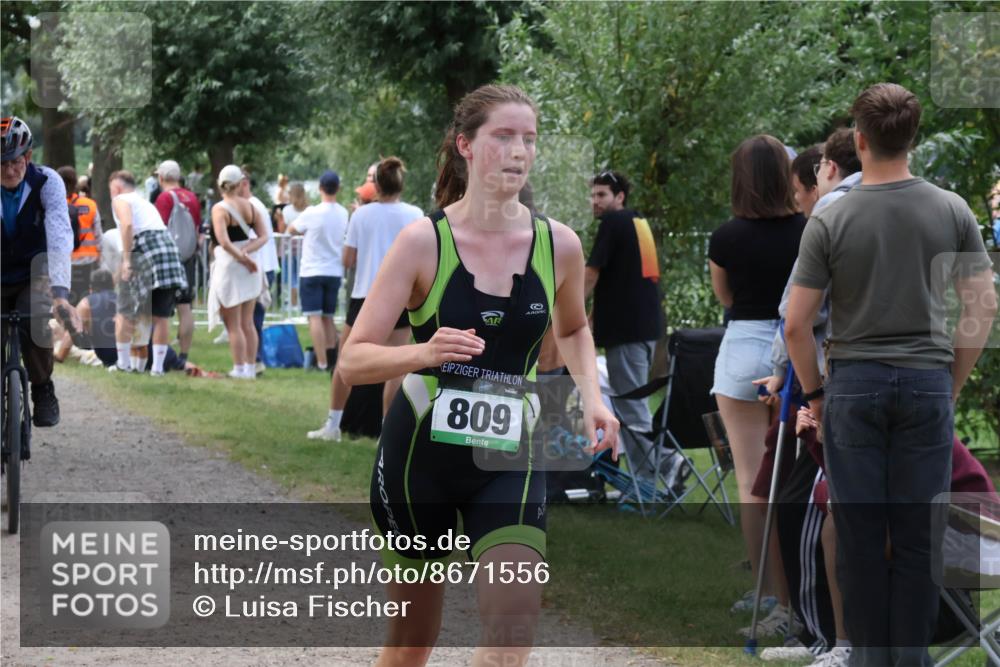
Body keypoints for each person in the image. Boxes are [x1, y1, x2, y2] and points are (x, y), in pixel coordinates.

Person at [339, 84, 619, 667]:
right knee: (413, 640)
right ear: (466, 145)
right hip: (421, 459)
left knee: (511, 637)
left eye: (529, 139)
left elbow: (572, 331)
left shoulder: (558, 244)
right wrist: (422, 354)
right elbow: (353, 358)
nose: (519, 151)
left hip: (512, 455)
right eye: (503, 137)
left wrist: (593, 397)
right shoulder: (423, 241)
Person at [786, 83, 997, 666]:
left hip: (854, 384)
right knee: (916, 538)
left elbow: (796, 325)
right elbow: (982, 307)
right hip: (926, 381)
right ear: (913, 138)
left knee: (857, 537)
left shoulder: (832, 218)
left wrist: (816, 395)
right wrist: (947, 383)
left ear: (859, 139)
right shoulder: (952, 209)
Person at [708, 135, 807, 622]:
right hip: (795, 348)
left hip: (744, 348)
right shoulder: (808, 229)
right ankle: (800, 591)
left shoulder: (726, 236)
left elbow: (725, 299)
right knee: (795, 478)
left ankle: (768, 590)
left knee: (751, 480)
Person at [308, 157, 422, 441]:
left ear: (376, 185)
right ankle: (387, 430)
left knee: (346, 360)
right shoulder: (416, 214)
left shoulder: (362, 215)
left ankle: (334, 424)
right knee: (396, 365)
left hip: (366, 295)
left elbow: (348, 259)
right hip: (403, 297)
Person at [585, 170, 681, 489]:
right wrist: (590, 319)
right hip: (645, 329)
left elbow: (592, 274)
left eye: (602, 195)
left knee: (629, 405)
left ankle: (664, 466)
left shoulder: (613, 223)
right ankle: (651, 475)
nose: (594, 201)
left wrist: (567, 310)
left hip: (627, 332)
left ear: (619, 197)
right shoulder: (638, 223)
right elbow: (621, 282)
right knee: (632, 403)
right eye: (593, 195)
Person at [0, 116, 79, 427]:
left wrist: (60, 295)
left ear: (28, 157)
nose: (8, 171)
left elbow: (59, 236)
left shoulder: (48, 182)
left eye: (15, 162)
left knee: (34, 319)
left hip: (33, 274)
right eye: (0, 164)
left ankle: (43, 388)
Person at [108, 170, 187, 377]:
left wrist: (126, 259)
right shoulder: (144, 202)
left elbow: (126, 225)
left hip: (144, 249)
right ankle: (157, 369)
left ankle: (123, 364)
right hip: (167, 249)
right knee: (161, 315)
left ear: (116, 187)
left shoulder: (120, 199)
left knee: (125, 310)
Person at [206, 165, 269, 379]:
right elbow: (263, 236)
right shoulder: (251, 207)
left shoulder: (220, 209)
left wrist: (241, 257)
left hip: (231, 265)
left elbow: (223, 241)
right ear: (240, 182)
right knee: (248, 322)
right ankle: (250, 368)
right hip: (249, 265)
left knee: (233, 324)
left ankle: (239, 367)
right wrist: (247, 253)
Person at [285, 170, 347, 371]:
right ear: (337, 188)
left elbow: (292, 229)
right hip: (334, 270)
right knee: (328, 317)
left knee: (314, 317)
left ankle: (320, 362)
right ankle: (331, 360)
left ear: (320, 188)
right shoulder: (343, 212)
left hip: (312, 270)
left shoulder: (312, 212)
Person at [154, 159, 202, 368]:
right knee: (185, 308)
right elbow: (198, 227)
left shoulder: (164, 198)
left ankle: (161, 354)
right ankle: (183, 354)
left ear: (161, 177)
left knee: (161, 312)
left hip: (169, 259)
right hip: (188, 257)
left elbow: (158, 228)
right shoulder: (191, 197)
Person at [239, 167, 279, 372]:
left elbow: (255, 239)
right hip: (263, 266)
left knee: (252, 318)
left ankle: (254, 360)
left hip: (260, 267)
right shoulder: (254, 205)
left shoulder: (251, 206)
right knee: (252, 318)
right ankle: (253, 359)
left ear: (244, 183)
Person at [58, 165, 103, 306]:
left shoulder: (54, 205)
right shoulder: (90, 204)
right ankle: (84, 325)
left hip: (64, 261)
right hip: (87, 259)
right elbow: (98, 235)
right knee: (85, 297)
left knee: (66, 297)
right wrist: (100, 255)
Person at [275, 182, 308, 307]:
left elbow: (282, 228)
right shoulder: (308, 210)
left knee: (290, 276)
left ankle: (293, 302)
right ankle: (299, 301)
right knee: (301, 274)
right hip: (303, 246)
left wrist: (278, 218)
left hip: (288, 245)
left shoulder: (287, 210)